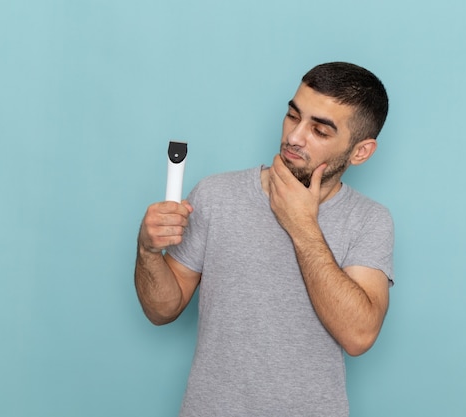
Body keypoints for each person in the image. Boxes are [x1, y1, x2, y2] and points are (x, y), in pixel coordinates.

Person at [135, 62, 394, 417]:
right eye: (293, 115)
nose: (294, 137)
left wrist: (303, 226)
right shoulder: (216, 194)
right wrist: (148, 251)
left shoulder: (369, 220)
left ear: (360, 152)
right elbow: (161, 309)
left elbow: (359, 335)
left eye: (320, 130)